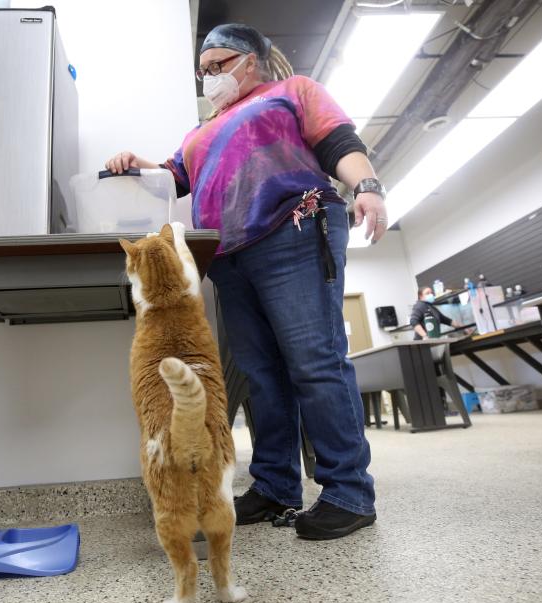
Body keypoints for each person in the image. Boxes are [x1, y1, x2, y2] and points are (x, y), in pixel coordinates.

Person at [106, 23, 387, 540]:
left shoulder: (291, 91)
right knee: (261, 376)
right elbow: (173, 178)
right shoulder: (200, 132)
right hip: (231, 255)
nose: (209, 77)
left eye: (218, 65)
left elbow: (338, 141)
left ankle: (348, 491)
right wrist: (133, 163)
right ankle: (276, 486)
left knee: (314, 362)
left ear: (250, 61)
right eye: (203, 71)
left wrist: (366, 186)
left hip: (295, 231)